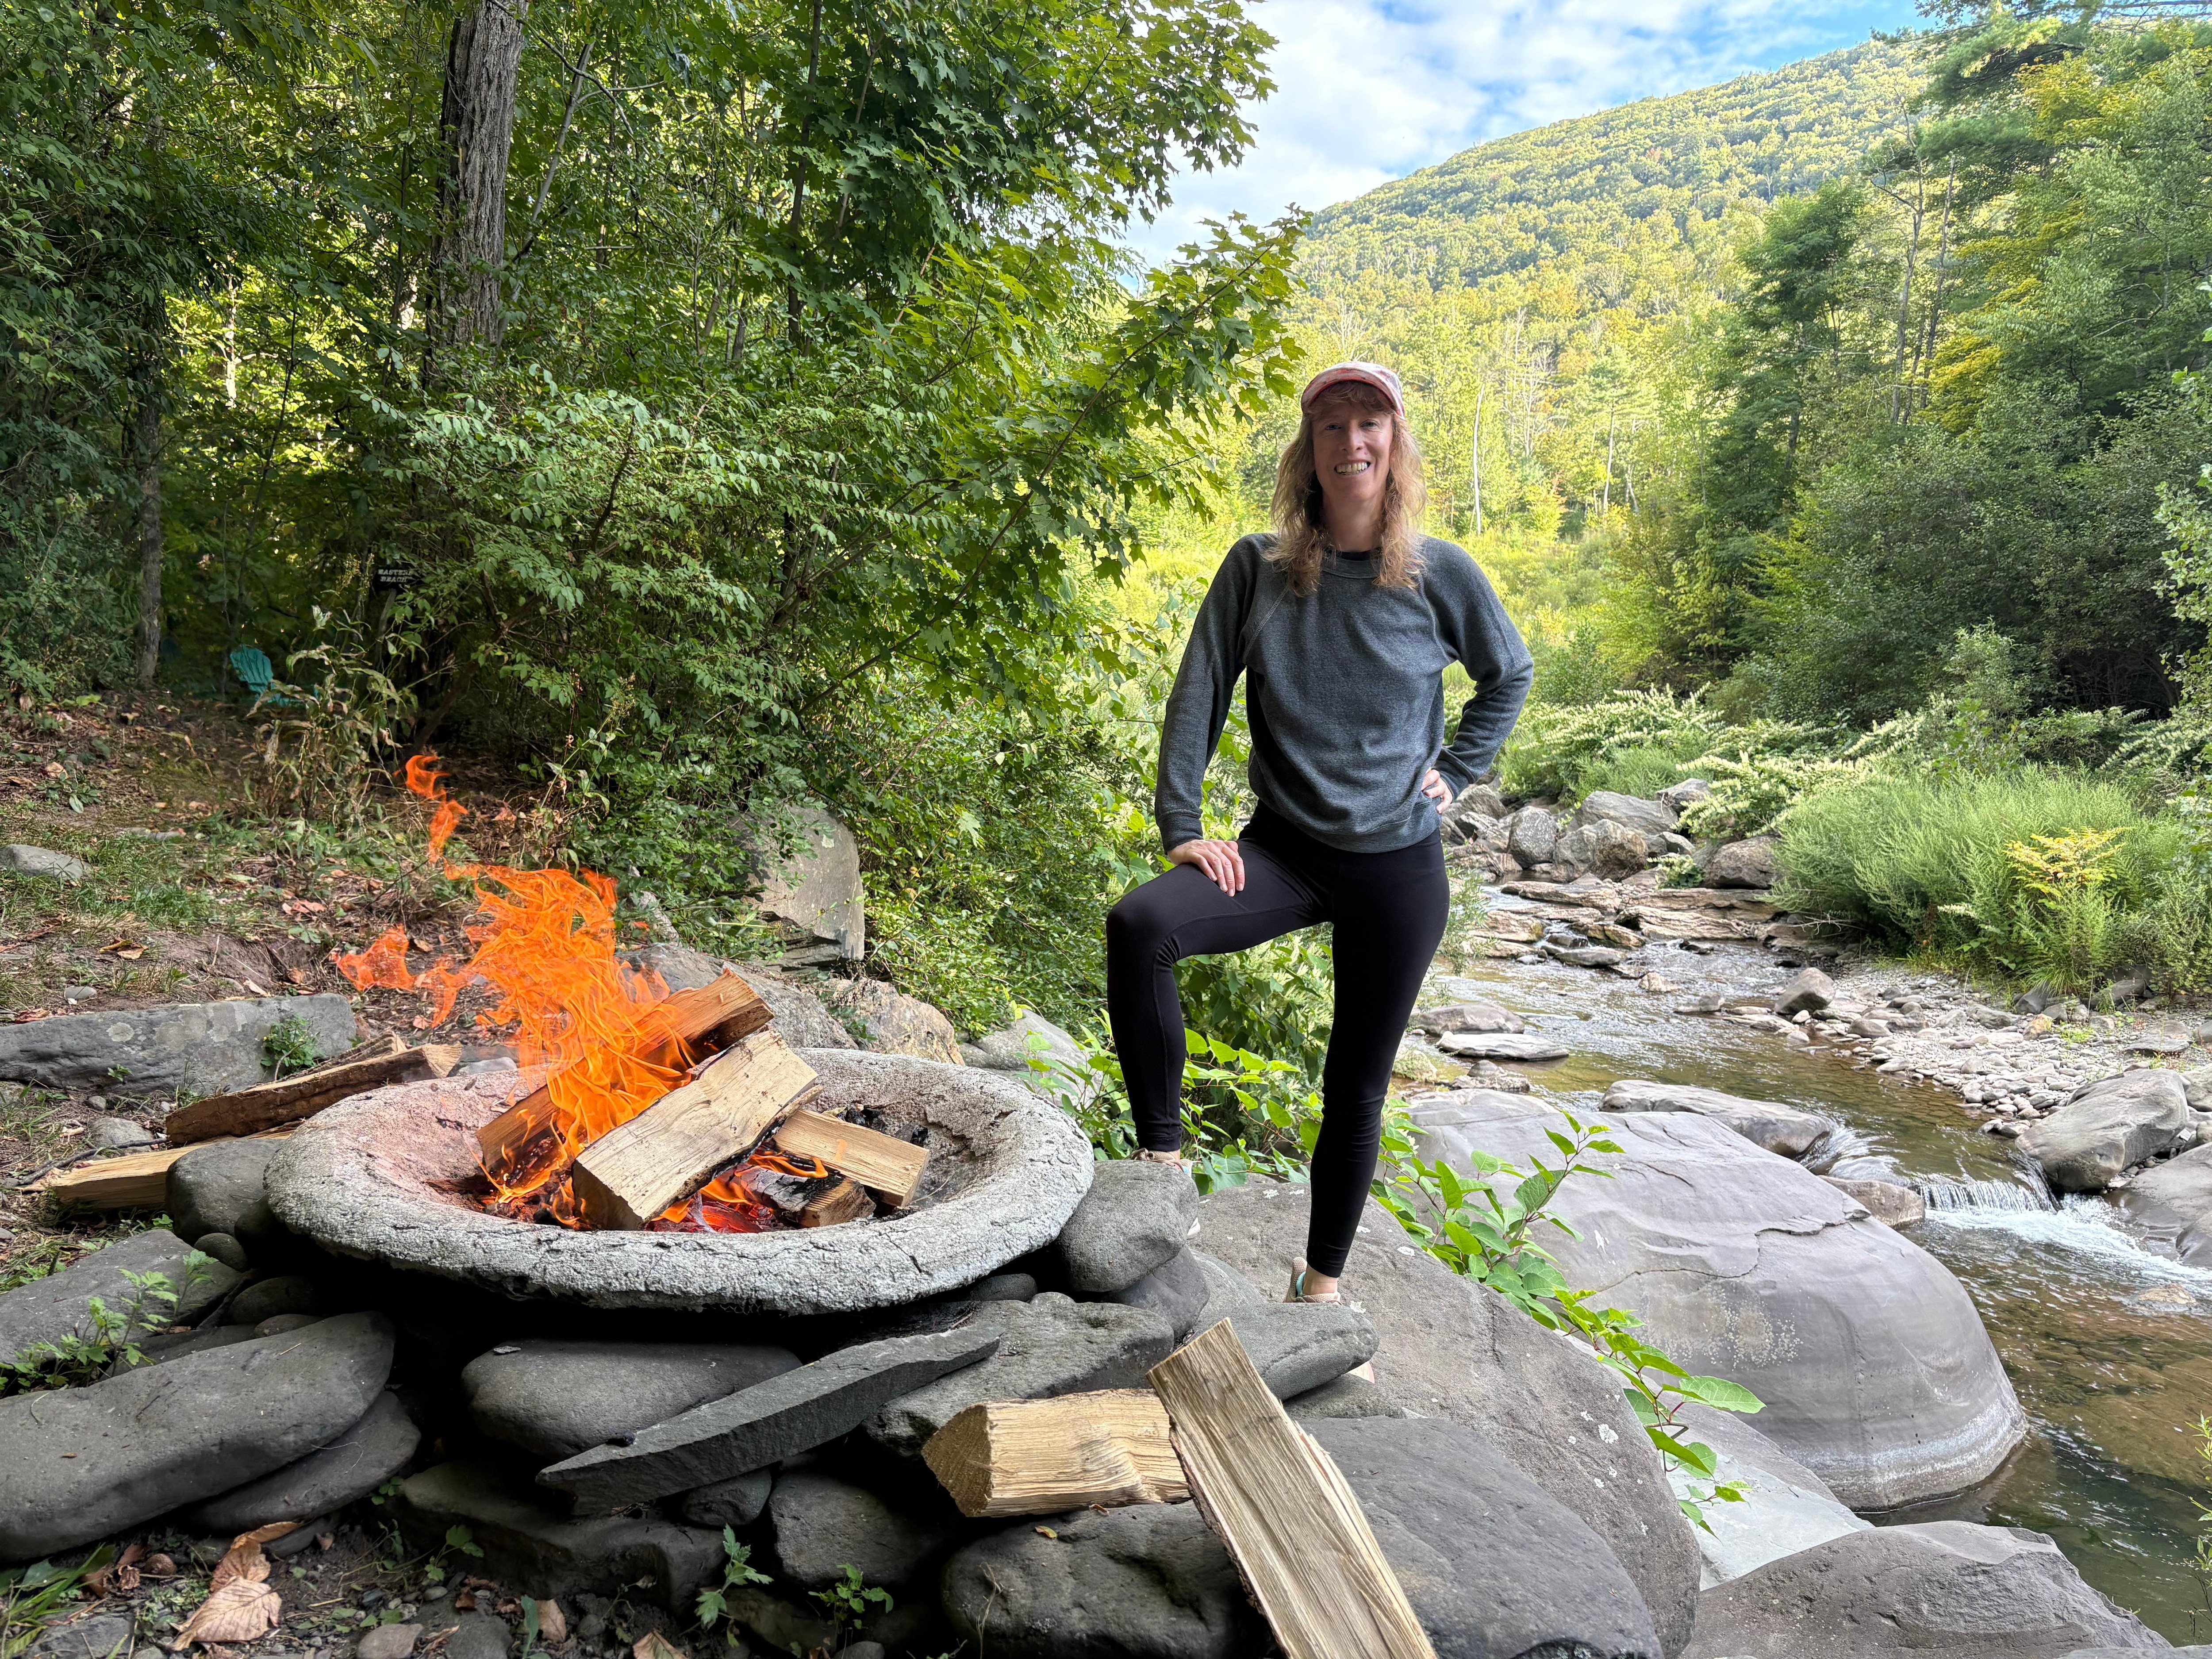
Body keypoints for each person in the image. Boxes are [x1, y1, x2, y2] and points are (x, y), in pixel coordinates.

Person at [1104, 360, 1533, 1306]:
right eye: (1332, 426)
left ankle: (1320, 1287)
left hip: (1398, 868)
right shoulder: (1256, 569)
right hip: (1284, 852)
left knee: (1356, 1087)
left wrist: (1457, 772)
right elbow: (1199, 695)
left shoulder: (1439, 574)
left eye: (1369, 423)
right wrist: (1184, 826)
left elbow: (1508, 674)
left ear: (1396, 445)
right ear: (1308, 449)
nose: (1352, 442)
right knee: (1141, 928)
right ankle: (1162, 1165)